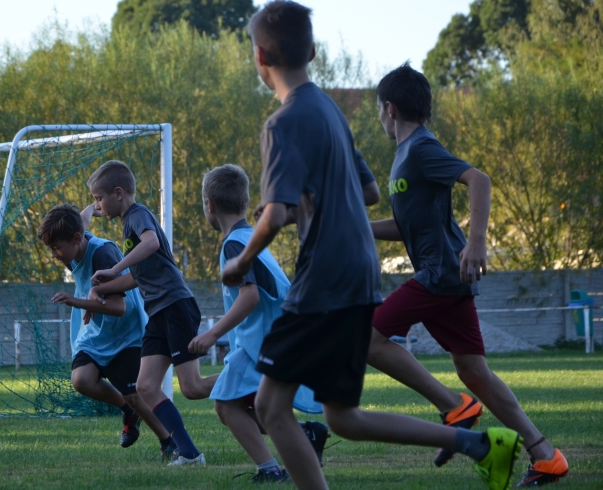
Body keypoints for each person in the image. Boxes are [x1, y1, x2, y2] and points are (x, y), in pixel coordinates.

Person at [222, 2, 523, 489]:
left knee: (269, 406)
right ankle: (479, 445)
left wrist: (241, 261)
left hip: (323, 277)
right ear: (314, 51)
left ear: (259, 56)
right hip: (359, 273)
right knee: (342, 417)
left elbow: (275, 216)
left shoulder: (282, 123)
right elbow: (368, 193)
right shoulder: (329, 110)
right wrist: (306, 205)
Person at [367, 62, 569, 487]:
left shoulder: (420, 147)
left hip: (442, 272)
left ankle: (455, 407)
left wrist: (477, 242)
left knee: (369, 338)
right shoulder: (407, 156)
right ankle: (546, 455)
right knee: (475, 371)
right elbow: (406, 227)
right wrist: (350, 228)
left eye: (378, 110)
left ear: (389, 108)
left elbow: (479, 179)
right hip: (446, 276)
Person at [188, 164, 330, 483]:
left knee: (227, 406)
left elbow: (249, 296)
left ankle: (271, 470)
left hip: (264, 342)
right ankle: (306, 435)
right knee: (256, 409)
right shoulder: (249, 235)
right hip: (271, 338)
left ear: (208, 204)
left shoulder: (234, 245)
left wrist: (212, 333)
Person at [86, 160, 217, 466]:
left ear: (118, 193)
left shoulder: (138, 215)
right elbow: (138, 276)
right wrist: (101, 287)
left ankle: (254, 381)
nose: (97, 205)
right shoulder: (127, 222)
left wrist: (115, 267)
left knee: (192, 387)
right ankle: (188, 453)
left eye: (98, 198)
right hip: (158, 312)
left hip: (175, 305)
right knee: (145, 386)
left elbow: (151, 242)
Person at [37, 203, 174, 454]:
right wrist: (92, 207)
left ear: (76, 240)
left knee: (136, 395)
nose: (54, 254)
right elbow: (82, 222)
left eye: (57, 248)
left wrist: (75, 301)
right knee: (81, 380)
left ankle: (168, 441)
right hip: (97, 333)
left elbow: (118, 307)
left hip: (124, 334)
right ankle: (128, 410)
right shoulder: (76, 242)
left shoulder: (102, 254)